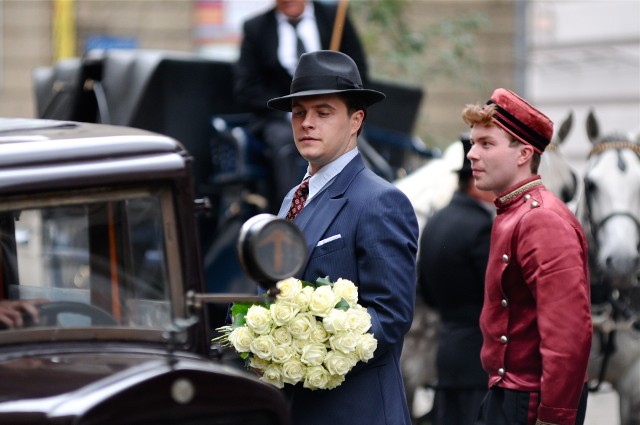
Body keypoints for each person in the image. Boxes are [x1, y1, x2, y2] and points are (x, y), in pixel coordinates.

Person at [267, 50, 418, 425]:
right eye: (299, 113)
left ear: (355, 121)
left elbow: (391, 316)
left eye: (323, 112)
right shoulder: (292, 198)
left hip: (357, 411)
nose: (306, 123)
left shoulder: (381, 200)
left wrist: (303, 349)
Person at [462, 88, 592, 425]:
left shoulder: (542, 219)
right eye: (474, 142)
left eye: (486, 144)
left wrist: (554, 416)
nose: (472, 154)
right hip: (509, 395)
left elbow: (569, 335)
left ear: (524, 154)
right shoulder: (515, 211)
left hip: (531, 403)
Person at [234, 0, 369, 210]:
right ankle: (295, 212)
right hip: (277, 119)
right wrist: (292, 112)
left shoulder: (335, 16)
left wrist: (330, 109)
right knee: (283, 139)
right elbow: (246, 87)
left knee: (352, 139)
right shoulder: (256, 27)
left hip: (334, 111)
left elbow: (359, 69)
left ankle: (355, 202)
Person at [417, 134, 495, 425]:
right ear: (474, 182)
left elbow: (426, 290)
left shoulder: (436, 220)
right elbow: (495, 294)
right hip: (478, 358)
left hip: (447, 351)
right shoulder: (481, 227)